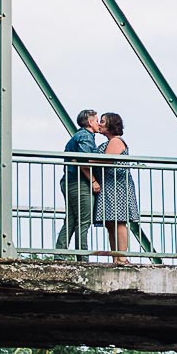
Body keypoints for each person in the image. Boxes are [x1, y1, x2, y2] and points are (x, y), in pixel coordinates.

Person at [56, 109, 104, 255]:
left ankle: (60, 254)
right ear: (90, 122)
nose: (98, 124)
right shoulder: (85, 136)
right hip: (79, 183)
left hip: (70, 181)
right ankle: (82, 257)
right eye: (96, 120)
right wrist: (94, 181)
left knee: (71, 219)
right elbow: (84, 162)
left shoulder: (80, 136)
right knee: (84, 220)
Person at [93, 111, 139, 263]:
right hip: (109, 185)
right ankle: (116, 257)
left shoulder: (116, 141)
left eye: (103, 121)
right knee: (111, 222)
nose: (100, 124)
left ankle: (121, 257)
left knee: (118, 221)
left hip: (117, 186)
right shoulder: (108, 142)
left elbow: (107, 160)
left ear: (111, 124)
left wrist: (88, 162)